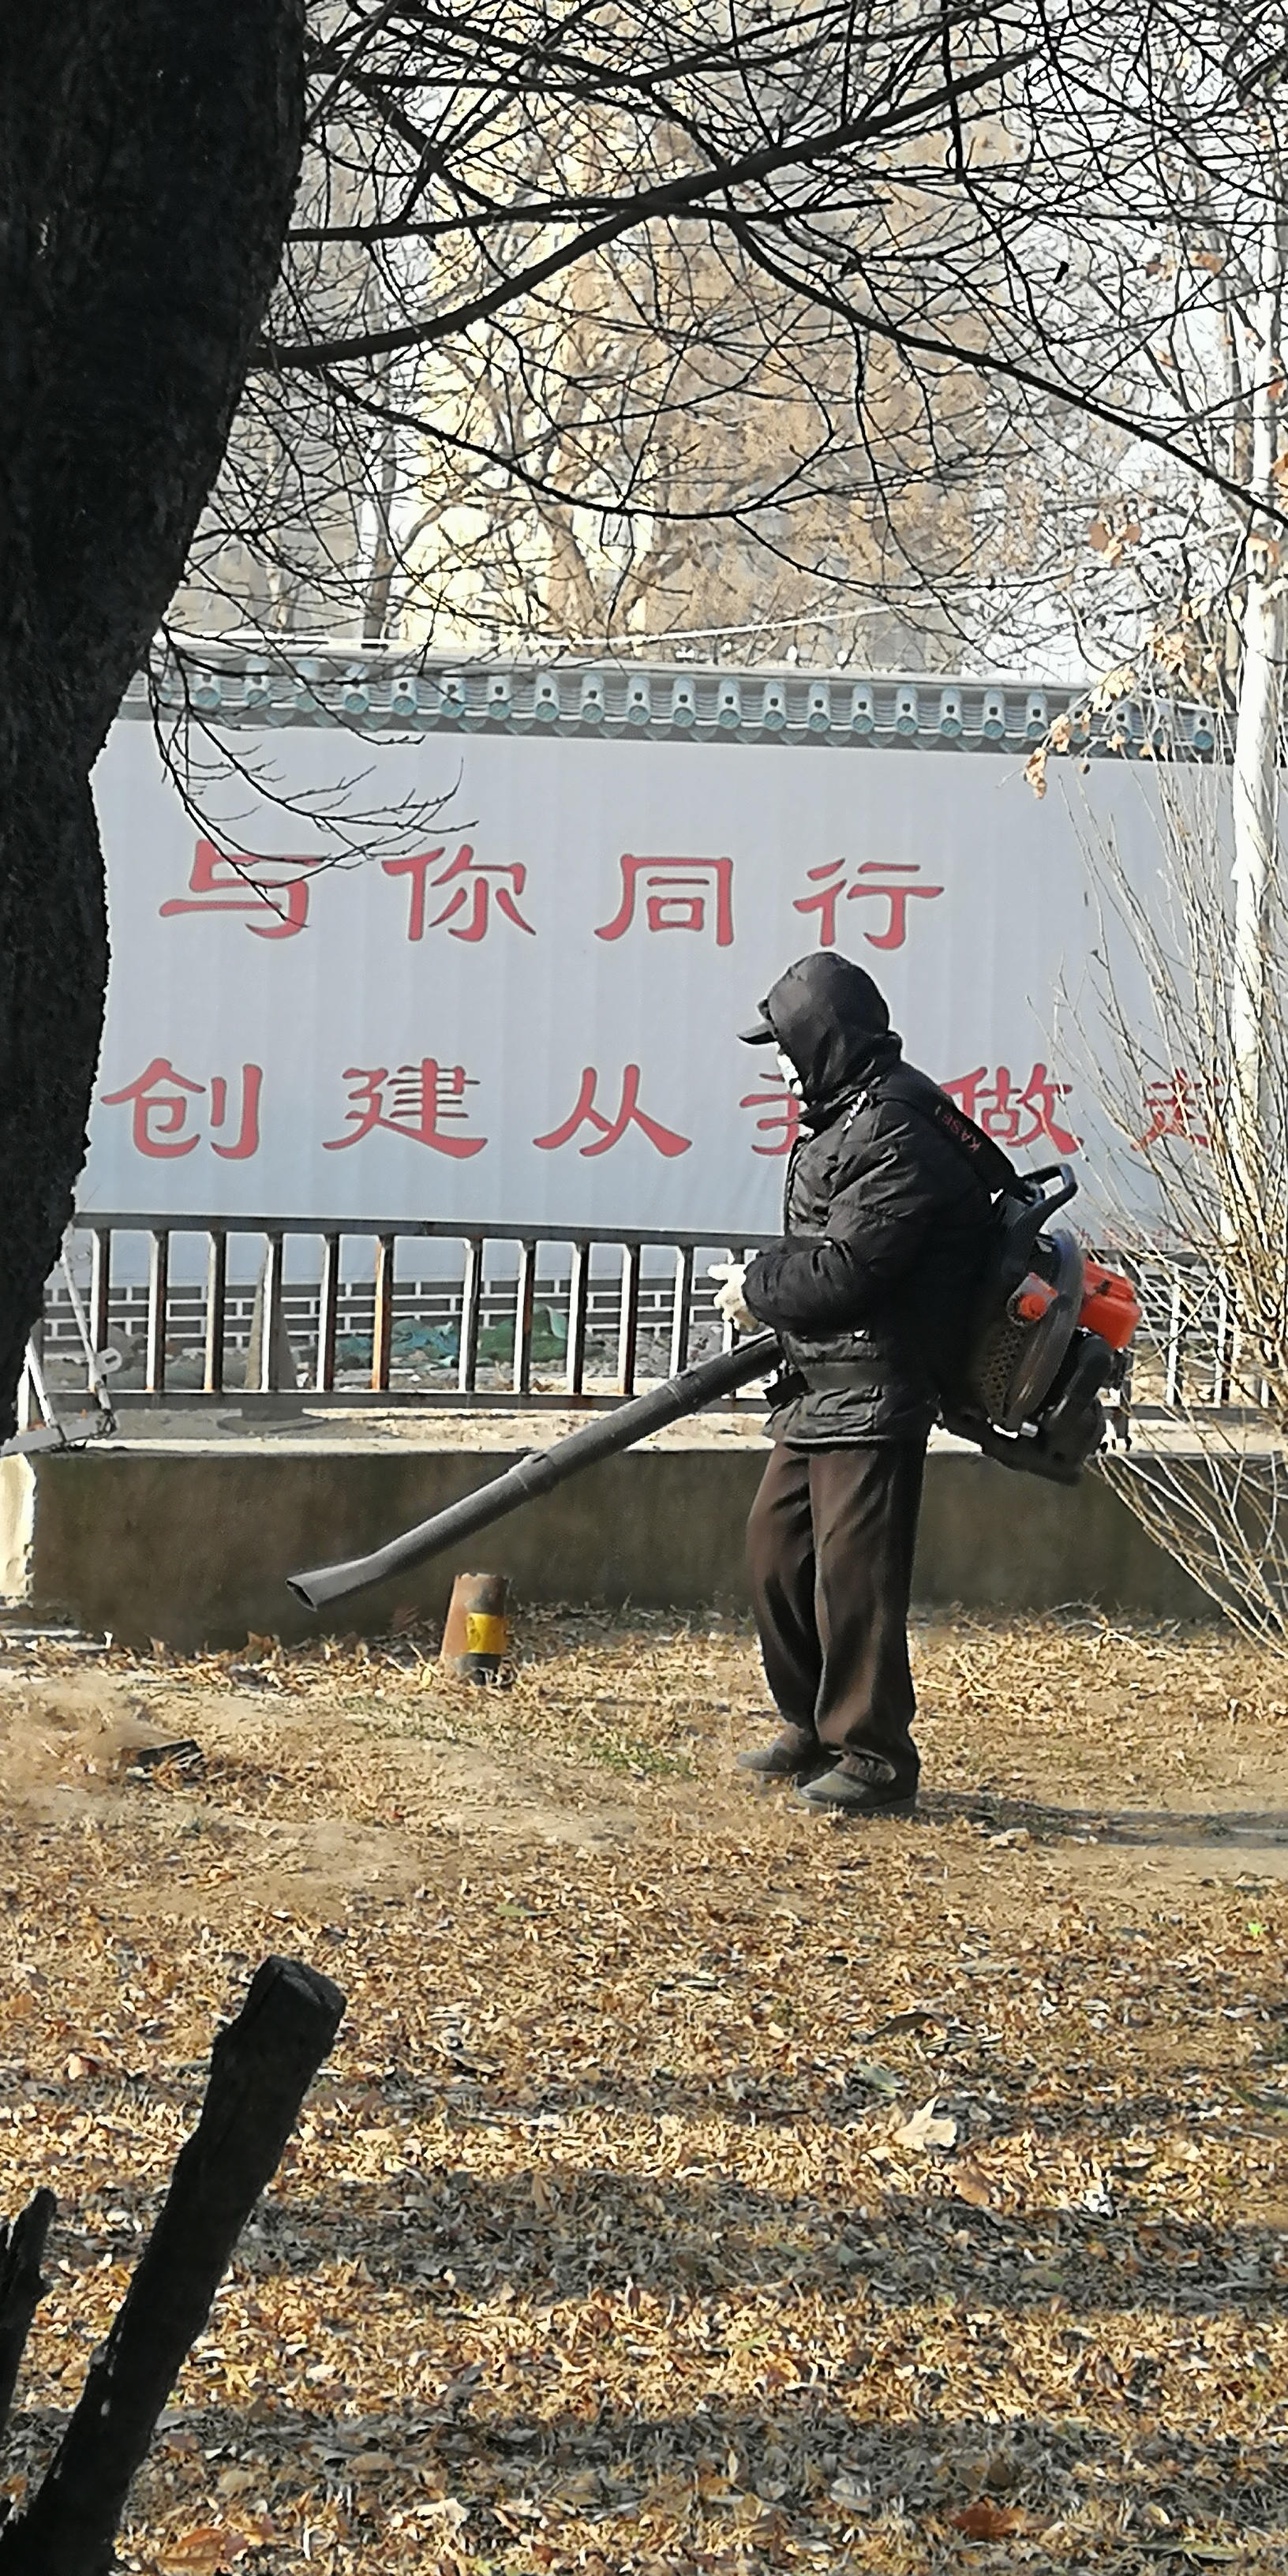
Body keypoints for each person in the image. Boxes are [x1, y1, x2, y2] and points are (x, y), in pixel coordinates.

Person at [713, 951, 1005, 1817]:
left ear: (824, 1039)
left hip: (877, 1385)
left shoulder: (896, 1128)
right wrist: (775, 1295)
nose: (778, 1063)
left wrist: (756, 1289)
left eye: (784, 1044)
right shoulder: (850, 1112)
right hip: (823, 1379)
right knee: (776, 1552)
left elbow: (849, 1268)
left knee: (855, 1579)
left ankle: (874, 1755)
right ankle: (812, 1724)